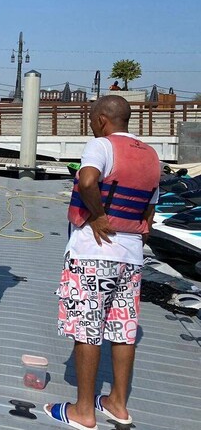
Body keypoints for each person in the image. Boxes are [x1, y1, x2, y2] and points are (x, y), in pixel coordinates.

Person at [44, 95, 160, 430]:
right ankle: (117, 404)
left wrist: (97, 216)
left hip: (95, 253)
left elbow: (88, 181)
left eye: (92, 118)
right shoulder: (151, 156)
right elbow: (150, 208)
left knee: (87, 330)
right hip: (132, 255)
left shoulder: (101, 146)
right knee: (124, 331)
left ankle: (83, 410)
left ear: (101, 120)